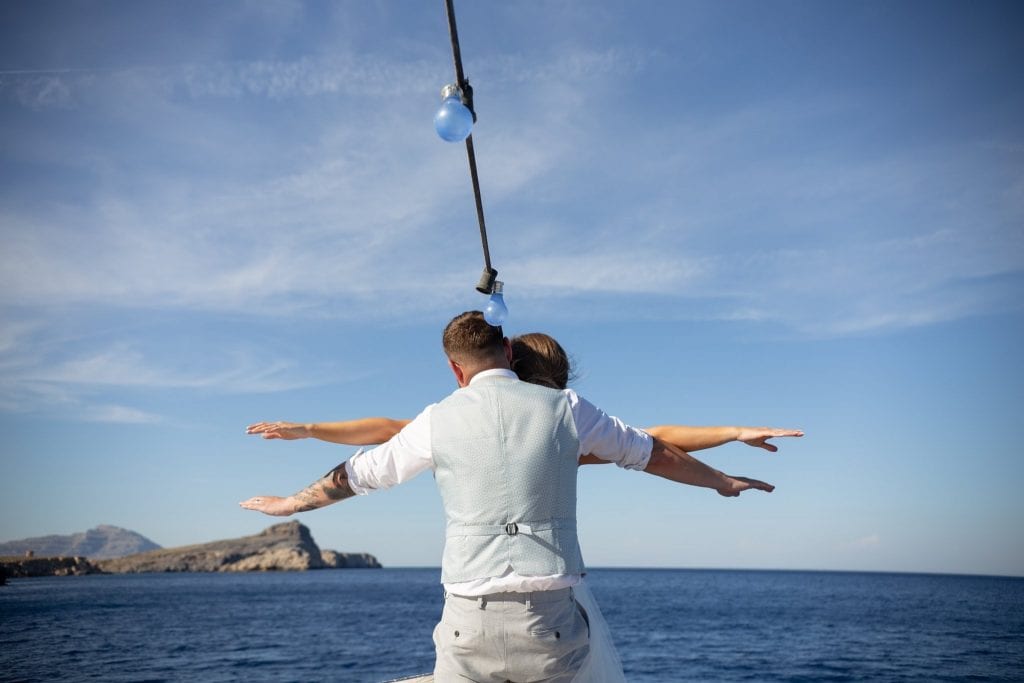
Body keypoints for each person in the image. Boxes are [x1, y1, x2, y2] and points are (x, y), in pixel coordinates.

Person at [241, 313, 792, 682]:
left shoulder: (439, 420)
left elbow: (365, 460)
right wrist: (724, 471)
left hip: (469, 615)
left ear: (455, 369)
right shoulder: (567, 417)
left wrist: (292, 497)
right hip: (549, 615)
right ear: (508, 352)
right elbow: (657, 447)